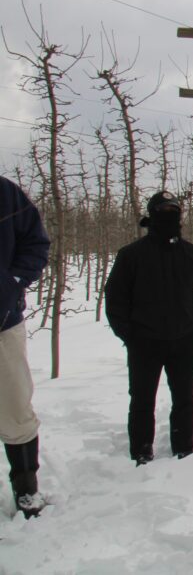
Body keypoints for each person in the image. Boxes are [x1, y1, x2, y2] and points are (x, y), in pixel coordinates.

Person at [104, 192, 193, 466]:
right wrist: (129, 334)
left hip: (185, 341)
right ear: (151, 214)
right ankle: (141, 451)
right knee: (142, 400)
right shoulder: (131, 255)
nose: (169, 213)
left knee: (184, 399)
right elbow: (115, 298)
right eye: (163, 209)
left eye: (173, 209)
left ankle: (184, 448)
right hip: (144, 342)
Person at [1, 175, 50, 519]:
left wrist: (13, 282)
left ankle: (26, 490)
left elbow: (36, 243)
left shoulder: (5, 194)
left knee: (15, 407)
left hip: (3, 323)